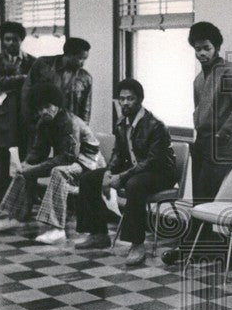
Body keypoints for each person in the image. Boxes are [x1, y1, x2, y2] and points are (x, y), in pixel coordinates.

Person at [162, 21, 232, 266]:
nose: (201, 53)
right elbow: (198, 109)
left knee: (215, 198)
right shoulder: (199, 79)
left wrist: (223, 135)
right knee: (201, 198)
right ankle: (197, 248)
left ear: (216, 47)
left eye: (206, 48)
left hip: (224, 144)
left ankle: (204, 249)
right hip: (201, 142)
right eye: (197, 49)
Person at [74, 79, 175, 263]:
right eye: (122, 99)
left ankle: (137, 244)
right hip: (135, 171)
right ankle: (98, 234)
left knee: (133, 184)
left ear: (140, 100)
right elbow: (118, 153)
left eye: (130, 98)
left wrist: (121, 177)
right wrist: (108, 172)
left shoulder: (155, 125)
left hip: (161, 174)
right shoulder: (122, 123)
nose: (125, 103)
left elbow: (151, 161)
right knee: (89, 178)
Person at [0, 82, 104, 241]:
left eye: (47, 106)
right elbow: (38, 151)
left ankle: (57, 228)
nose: (43, 111)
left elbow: (67, 158)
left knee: (58, 172)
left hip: (90, 166)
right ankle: (15, 217)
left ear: (57, 104)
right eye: (39, 108)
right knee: (25, 171)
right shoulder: (44, 123)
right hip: (71, 162)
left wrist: (32, 169)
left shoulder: (70, 122)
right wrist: (26, 165)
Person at [0, 21, 36, 207]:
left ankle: (26, 196)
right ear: (2, 40)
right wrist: (23, 79)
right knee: (2, 154)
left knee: (27, 155)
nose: (11, 43)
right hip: (4, 114)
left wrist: (14, 82)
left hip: (25, 113)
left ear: (21, 40)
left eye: (15, 39)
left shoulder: (32, 60)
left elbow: (36, 82)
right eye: (7, 39)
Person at [20, 37, 92, 158]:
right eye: (80, 58)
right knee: (33, 160)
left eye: (85, 59)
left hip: (66, 128)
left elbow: (86, 110)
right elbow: (27, 93)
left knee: (62, 163)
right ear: (68, 55)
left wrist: (80, 133)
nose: (83, 63)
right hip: (40, 123)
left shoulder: (86, 78)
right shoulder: (42, 65)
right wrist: (31, 121)